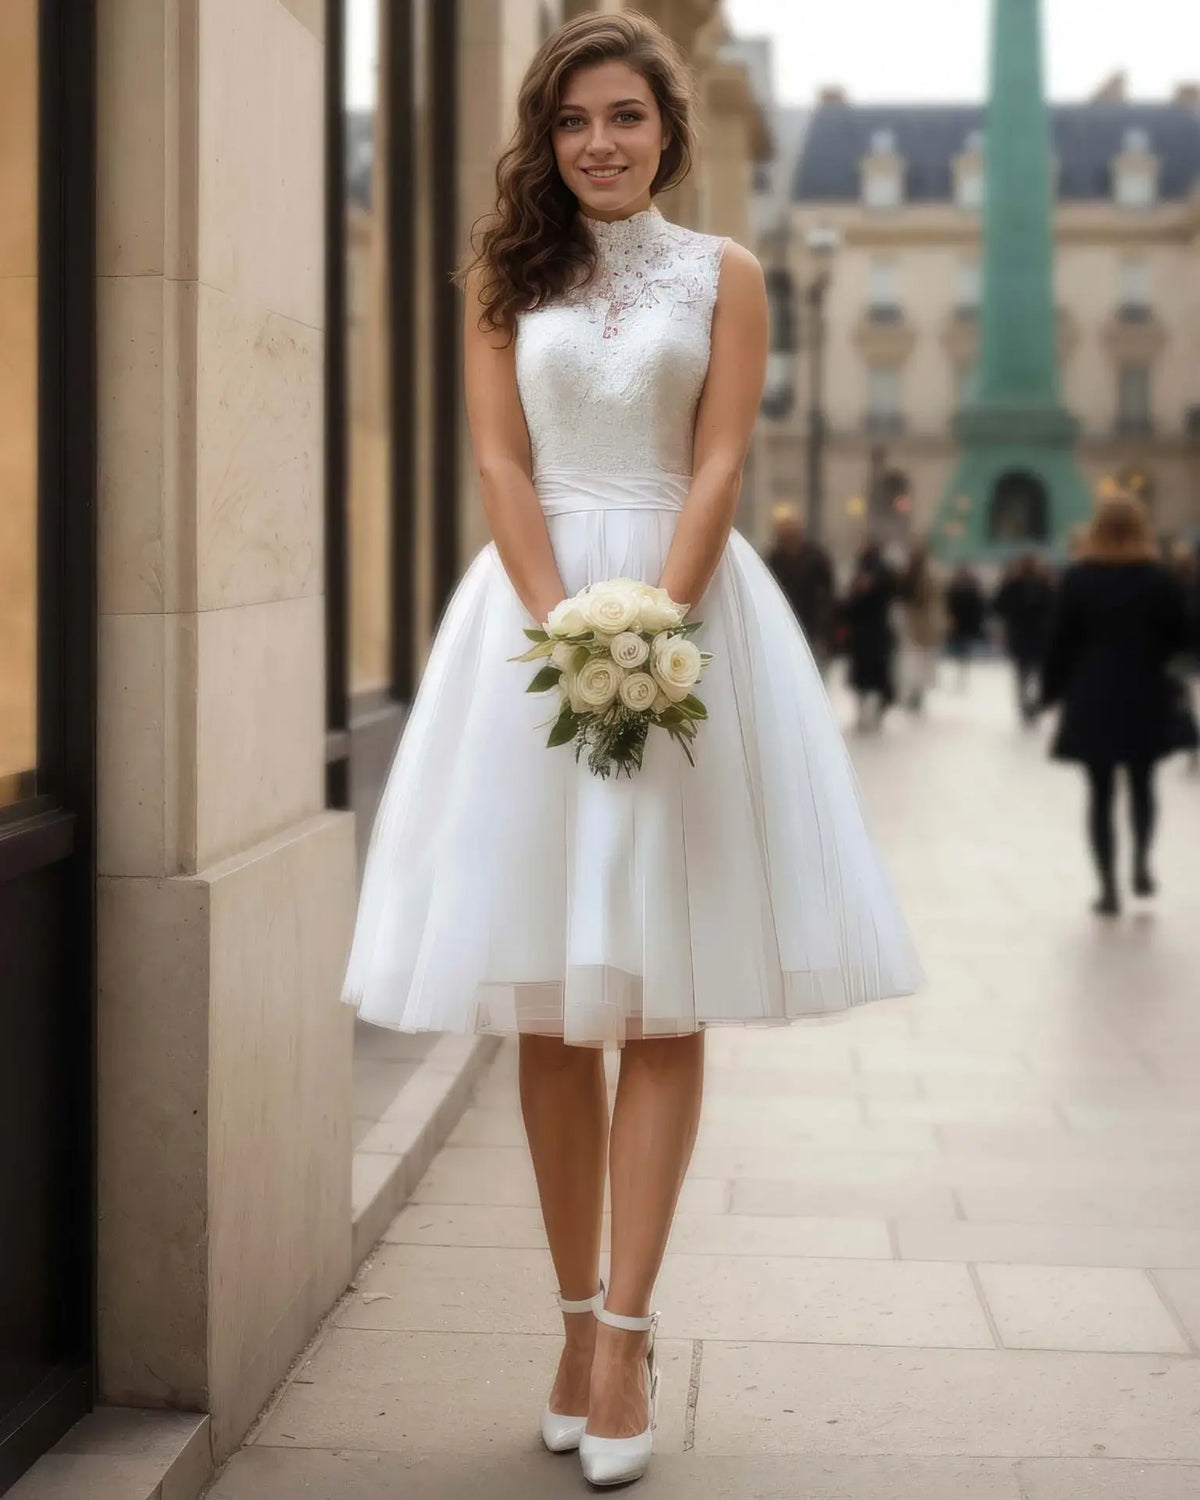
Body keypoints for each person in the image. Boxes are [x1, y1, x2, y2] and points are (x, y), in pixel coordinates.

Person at [339, 13, 920, 1488]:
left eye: (627, 117)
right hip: (530, 632)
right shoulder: (502, 276)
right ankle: (573, 1315)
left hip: (689, 611)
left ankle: (630, 1338)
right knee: (549, 1003)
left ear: (668, 129)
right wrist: (562, 635)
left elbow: (720, 456)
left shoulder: (724, 276)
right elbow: (495, 461)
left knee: (662, 998)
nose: (602, 140)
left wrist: (653, 622)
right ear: (548, 136)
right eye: (577, 119)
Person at [1041, 495, 1199, 916]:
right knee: (1144, 784)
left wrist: (1049, 692)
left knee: (1100, 792)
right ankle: (1142, 863)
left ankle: (1107, 887)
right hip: (1146, 689)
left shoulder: (1079, 579)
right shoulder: (1159, 579)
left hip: (1093, 692)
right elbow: (1183, 636)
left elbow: (1059, 643)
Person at [764, 504, 835, 671]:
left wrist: (825, 628)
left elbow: (827, 592)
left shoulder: (815, 556)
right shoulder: (774, 558)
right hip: (784, 624)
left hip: (810, 622)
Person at [993, 552, 1056, 725]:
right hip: (1038, 637)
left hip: (1022, 636)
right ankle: (1031, 705)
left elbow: (998, 606)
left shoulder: (1015, 584)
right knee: (1035, 675)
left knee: (1024, 675)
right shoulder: (1045, 585)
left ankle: (1026, 704)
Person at [844, 542, 898, 730]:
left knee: (872, 677)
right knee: (866, 678)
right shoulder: (863, 575)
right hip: (866, 633)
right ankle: (865, 713)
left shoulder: (881, 576)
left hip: (872, 633)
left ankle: (870, 713)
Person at [897, 541, 946, 713]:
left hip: (921, 623)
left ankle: (916, 693)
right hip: (919, 623)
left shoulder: (926, 574)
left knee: (918, 661)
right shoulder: (929, 572)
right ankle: (915, 692)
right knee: (918, 661)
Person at [945, 562, 987, 687]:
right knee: (960, 649)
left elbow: (979, 607)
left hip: (968, 623)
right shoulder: (954, 587)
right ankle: (961, 671)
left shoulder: (972, 587)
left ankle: (963, 672)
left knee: (964, 649)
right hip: (958, 623)